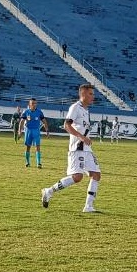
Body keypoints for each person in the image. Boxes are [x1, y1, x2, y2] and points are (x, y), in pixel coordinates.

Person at [41, 84, 101, 213]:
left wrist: (86, 138)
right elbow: (66, 125)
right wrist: (81, 137)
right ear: (83, 94)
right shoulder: (75, 108)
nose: (93, 97)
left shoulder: (86, 110)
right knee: (77, 177)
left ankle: (88, 206)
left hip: (86, 149)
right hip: (77, 148)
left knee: (96, 174)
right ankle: (49, 191)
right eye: (91, 94)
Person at [20, 98, 48, 168]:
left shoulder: (39, 112)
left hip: (36, 131)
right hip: (28, 131)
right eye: (33, 103)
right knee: (28, 147)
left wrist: (47, 130)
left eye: (35, 103)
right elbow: (22, 121)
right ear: (29, 104)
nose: (34, 105)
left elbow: (44, 121)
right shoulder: (26, 112)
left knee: (37, 146)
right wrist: (19, 131)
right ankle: (27, 162)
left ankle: (39, 163)